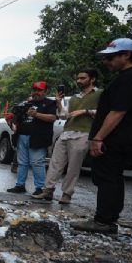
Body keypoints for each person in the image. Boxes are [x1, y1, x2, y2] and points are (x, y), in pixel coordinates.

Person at [72, 38, 132, 234]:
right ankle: (108, 219)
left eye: (110, 58)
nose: (106, 62)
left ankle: (103, 221)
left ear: (126, 55)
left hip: (114, 139)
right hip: (124, 138)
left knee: (107, 178)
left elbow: (118, 111)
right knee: (113, 178)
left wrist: (98, 137)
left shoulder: (128, 78)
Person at [33, 69, 101, 204]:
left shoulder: (99, 94)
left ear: (92, 79)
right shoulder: (75, 97)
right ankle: (48, 190)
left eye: (83, 78)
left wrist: (85, 111)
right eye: (78, 78)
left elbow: (104, 112)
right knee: (55, 163)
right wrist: (59, 103)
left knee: (73, 167)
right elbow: (65, 115)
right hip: (66, 132)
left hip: (84, 133)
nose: (79, 81)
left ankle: (67, 194)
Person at [6, 82, 56, 195]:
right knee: (22, 162)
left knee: (37, 162)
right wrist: (12, 120)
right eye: (34, 90)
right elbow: (15, 117)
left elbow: (53, 117)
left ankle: (40, 188)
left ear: (45, 91)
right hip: (22, 135)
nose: (36, 92)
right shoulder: (27, 103)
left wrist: (36, 114)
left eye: (39, 90)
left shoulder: (49, 103)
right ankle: (20, 185)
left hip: (38, 137)